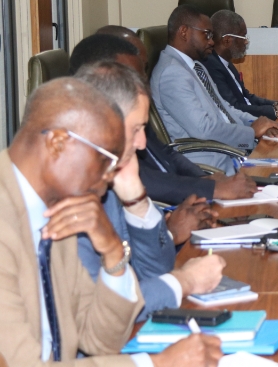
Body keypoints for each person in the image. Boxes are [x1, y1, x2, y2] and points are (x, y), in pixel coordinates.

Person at [0, 77, 222, 367]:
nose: (110, 177)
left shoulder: (59, 208)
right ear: (57, 143)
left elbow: (100, 341)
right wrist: (158, 363)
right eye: (107, 159)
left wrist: (114, 254)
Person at [75, 62, 225, 322]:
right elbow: (103, 311)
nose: (142, 143)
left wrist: (137, 203)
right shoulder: (68, 195)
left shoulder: (109, 179)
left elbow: (153, 273)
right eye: (136, 130)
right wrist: (186, 281)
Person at [72, 32, 257, 205]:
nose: (144, 81)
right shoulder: (86, 137)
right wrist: (209, 188)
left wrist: (202, 178)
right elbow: (143, 179)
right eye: (132, 76)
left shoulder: (129, 114)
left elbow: (166, 151)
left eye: (143, 71)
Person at [150, 5, 278, 173]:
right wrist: (251, 133)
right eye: (207, 34)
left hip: (230, 149)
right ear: (184, 32)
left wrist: (260, 124)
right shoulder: (172, 73)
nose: (212, 42)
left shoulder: (196, 66)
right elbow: (203, 129)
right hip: (213, 160)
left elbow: (225, 109)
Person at [205, 10, 278, 119]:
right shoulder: (211, 66)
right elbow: (234, 108)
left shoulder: (225, 63)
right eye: (243, 37)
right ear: (227, 41)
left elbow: (247, 98)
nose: (246, 42)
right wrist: (276, 111)